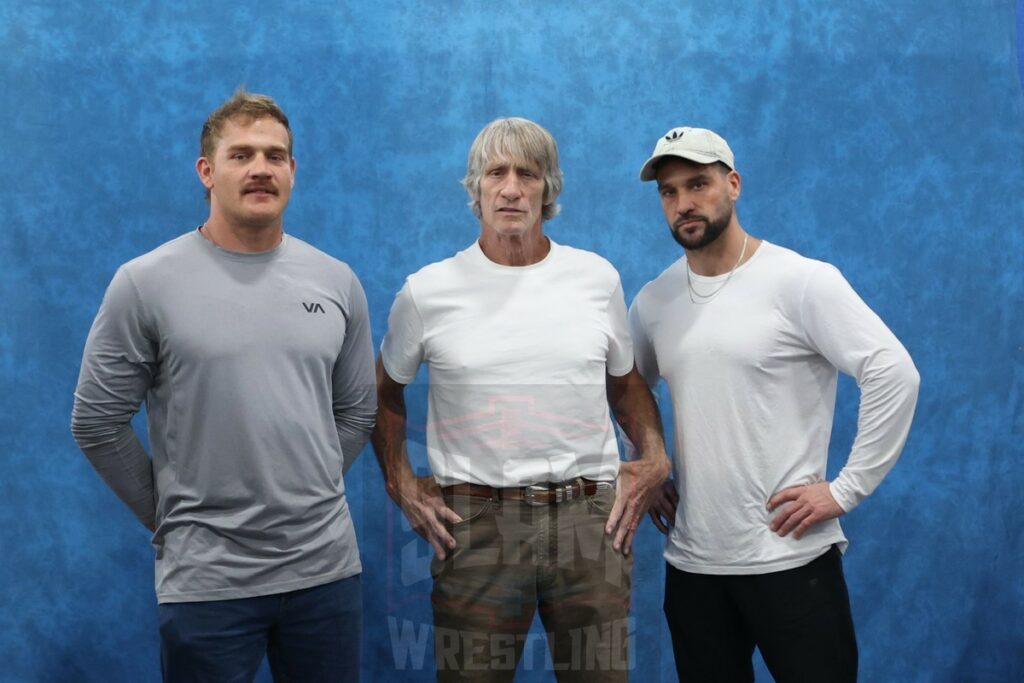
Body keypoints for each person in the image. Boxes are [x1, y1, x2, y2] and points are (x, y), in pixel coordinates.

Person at [71, 89, 376, 683]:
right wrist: (169, 519)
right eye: (241, 155)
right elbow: (96, 423)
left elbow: (357, 412)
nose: (260, 168)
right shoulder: (145, 283)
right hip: (207, 582)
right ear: (207, 172)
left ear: (292, 170)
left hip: (325, 575)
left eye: (275, 155)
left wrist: (304, 487)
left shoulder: (336, 280)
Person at [373, 117, 670, 682]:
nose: (511, 187)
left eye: (527, 174)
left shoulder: (595, 279)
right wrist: (400, 481)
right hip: (476, 525)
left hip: (589, 521)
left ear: (547, 189)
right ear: (476, 188)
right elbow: (384, 391)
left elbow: (625, 381)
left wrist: (654, 452)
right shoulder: (427, 292)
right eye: (496, 173)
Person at [631, 126, 920, 682]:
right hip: (693, 564)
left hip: (790, 559)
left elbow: (893, 372)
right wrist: (649, 462)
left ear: (733, 184)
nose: (684, 203)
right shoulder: (654, 300)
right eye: (669, 192)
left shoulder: (800, 281)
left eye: (698, 184)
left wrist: (846, 489)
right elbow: (627, 391)